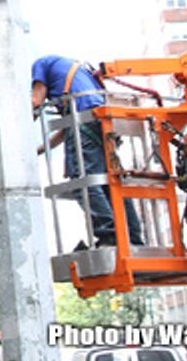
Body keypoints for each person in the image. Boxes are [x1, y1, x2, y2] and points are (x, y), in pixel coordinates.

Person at [31, 54, 144, 247]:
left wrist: (15, 139)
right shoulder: (75, 72)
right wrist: (40, 150)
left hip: (85, 122)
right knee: (111, 181)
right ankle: (132, 237)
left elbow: (35, 101)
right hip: (102, 124)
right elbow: (68, 130)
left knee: (82, 180)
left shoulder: (40, 64)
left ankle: (109, 234)